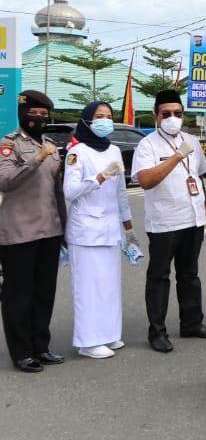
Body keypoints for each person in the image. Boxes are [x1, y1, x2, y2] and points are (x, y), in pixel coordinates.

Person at [131, 90, 206, 353]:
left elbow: (199, 176)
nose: (173, 118)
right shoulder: (147, 145)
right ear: (156, 116)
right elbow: (145, 181)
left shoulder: (192, 140)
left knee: (190, 275)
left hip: (192, 219)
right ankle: (156, 331)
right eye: (167, 114)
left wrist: (204, 208)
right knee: (159, 276)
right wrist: (176, 156)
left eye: (178, 114)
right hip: (164, 222)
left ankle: (192, 323)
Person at [0, 91, 66, 373]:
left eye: (43, 115)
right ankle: (22, 352)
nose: (39, 119)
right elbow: (5, 181)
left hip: (49, 230)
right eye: (34, 114)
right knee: (18, 295)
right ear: (23, 114)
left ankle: (41, 346)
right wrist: (37, 158)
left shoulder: (51, 144)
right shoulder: (9, 145)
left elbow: (58, 190)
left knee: (44, 293)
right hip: (19, 232)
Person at [63, 102, 136, 359]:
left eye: (108, 116)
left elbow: (121, 192)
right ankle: (88, 341)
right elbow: (70, 192)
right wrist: (99, 178)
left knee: (109, 285)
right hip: (85, 230)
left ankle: (108, 334)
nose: (104, 121)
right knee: (88, 287)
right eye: (98, 117)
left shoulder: (115, 150)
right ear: (86, 121)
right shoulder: (77, 152)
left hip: (109, 228)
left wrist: (128, 226)